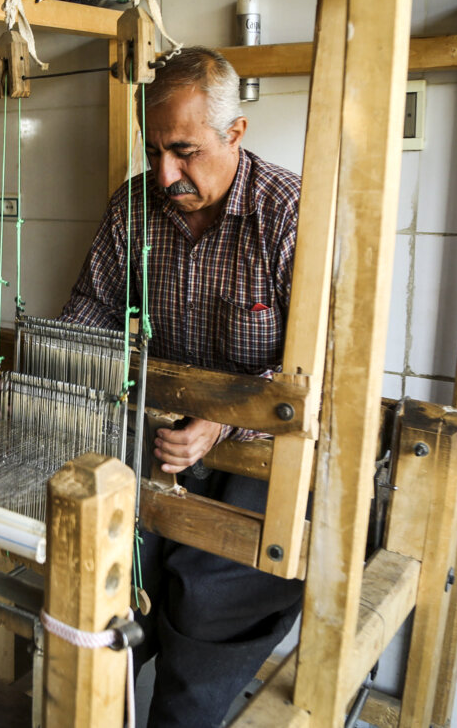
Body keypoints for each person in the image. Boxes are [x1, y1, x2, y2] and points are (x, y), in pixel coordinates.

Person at [61, 46, 303, 728]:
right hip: (162, 434)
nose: (164, 174)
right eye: (154, 151)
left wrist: (224, 420)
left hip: (262, 450)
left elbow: (319, 362)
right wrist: (45, 376)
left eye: (185, 151)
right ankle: (100, 699)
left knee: (205, 593)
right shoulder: (134, 207)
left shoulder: (287, 215)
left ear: (236, 134)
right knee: (116, 560)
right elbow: (92, 309)